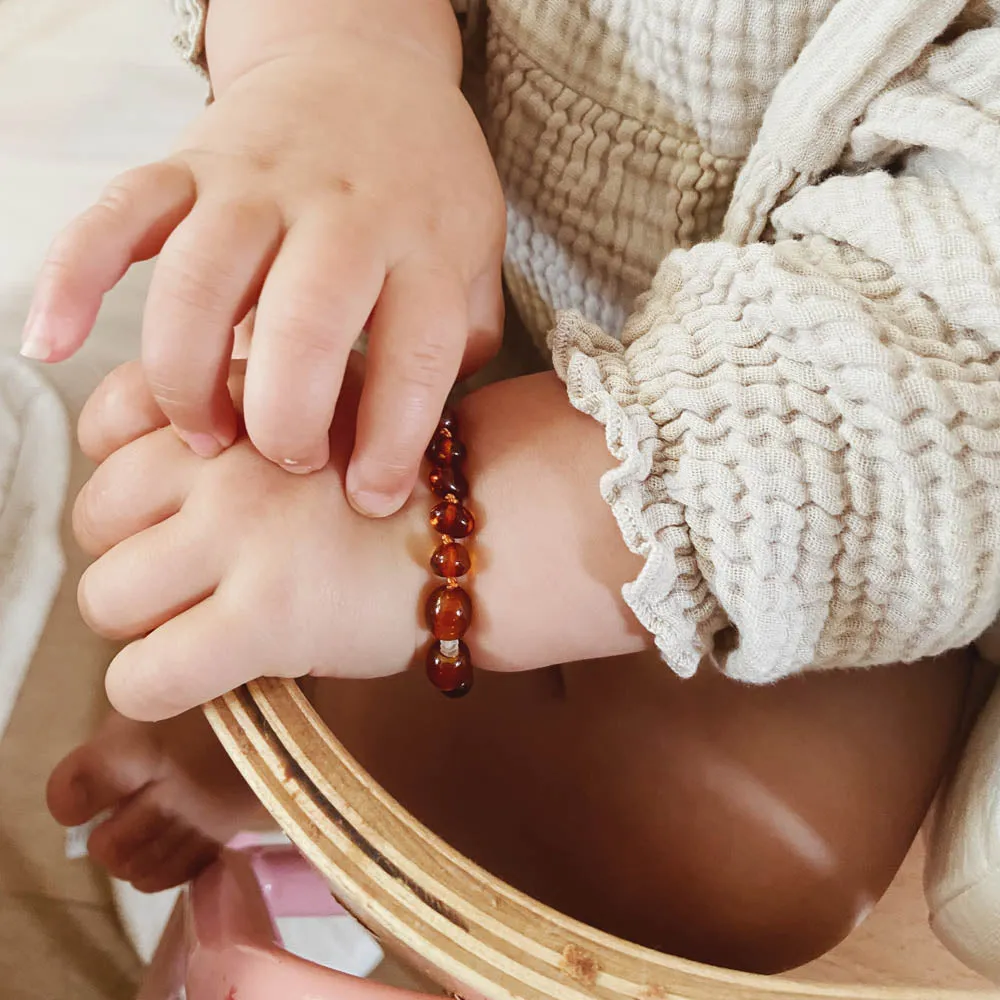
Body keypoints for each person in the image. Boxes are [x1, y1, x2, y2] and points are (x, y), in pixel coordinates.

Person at [36, 0, 1000, 974]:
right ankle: (285, 700)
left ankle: (334, 750)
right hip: (440, 229)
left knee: (734, 847)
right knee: (246, 396)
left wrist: (441, 545)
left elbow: (957, 331)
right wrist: (337, 52)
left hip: (795, 426)